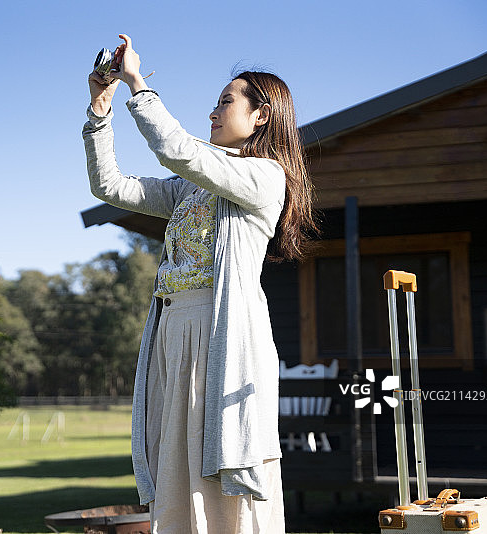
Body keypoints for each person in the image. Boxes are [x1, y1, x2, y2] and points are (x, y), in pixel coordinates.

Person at [83, 34, 316, 534]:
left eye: (226, 102)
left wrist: (136, 83)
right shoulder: (193, 185)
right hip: (174, 332)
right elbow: (111, 187)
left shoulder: (265, 177)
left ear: (261, 117)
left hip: (222, 333)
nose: (213, 111)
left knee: (223, 458)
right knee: (177, 464)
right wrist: (100, 111)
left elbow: (176, 149)